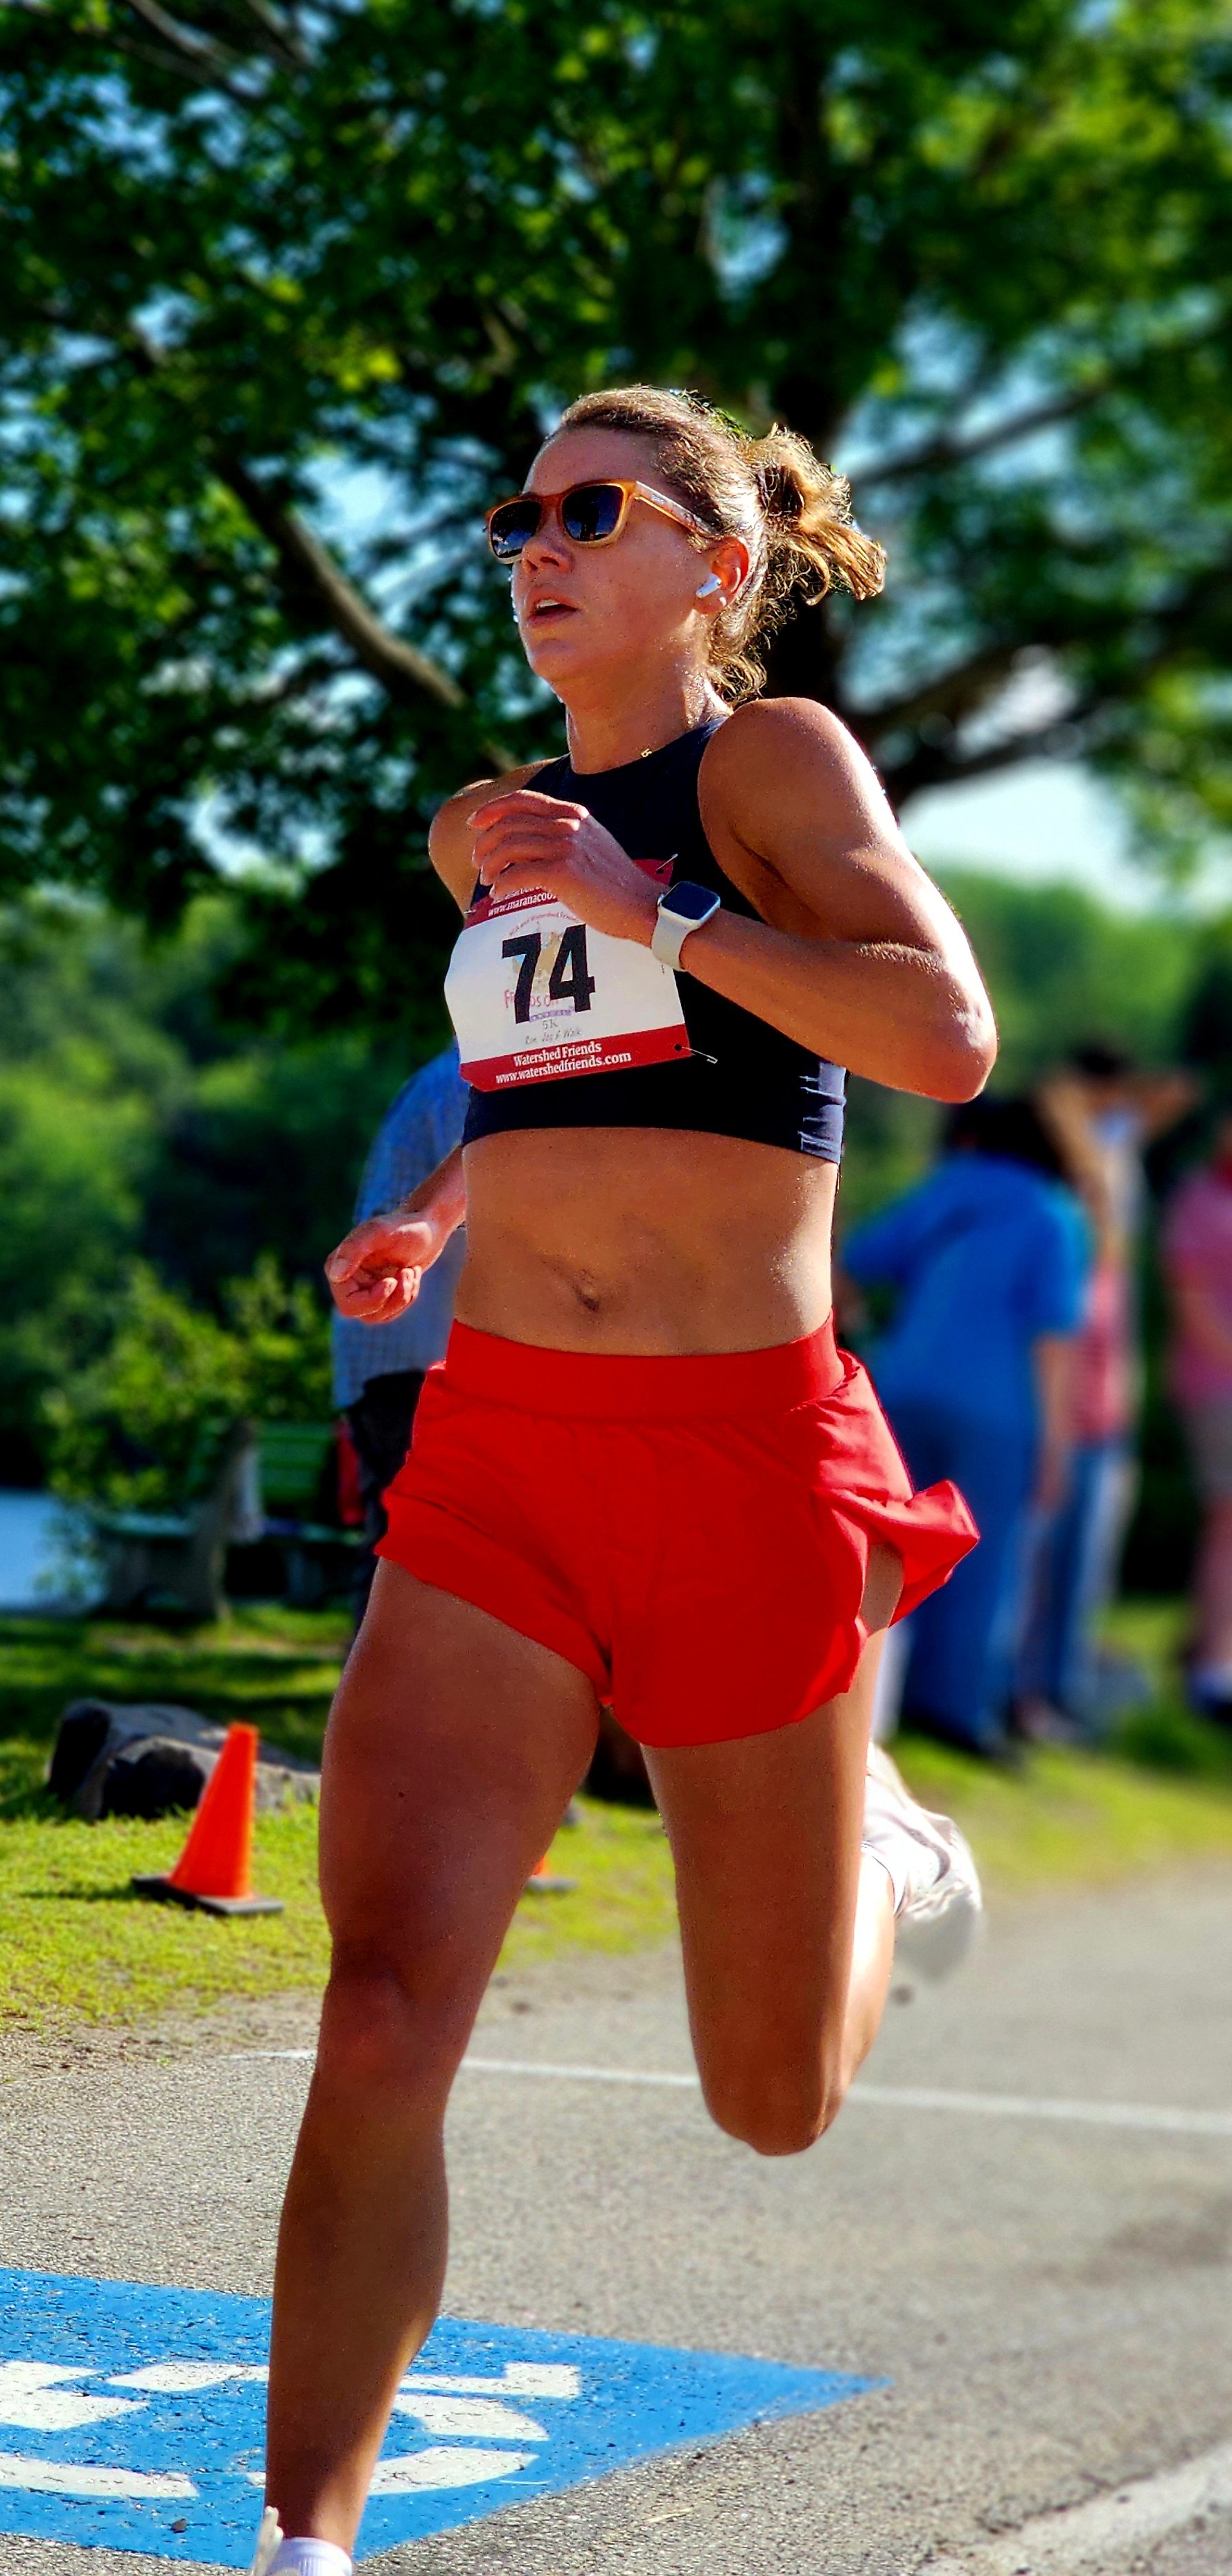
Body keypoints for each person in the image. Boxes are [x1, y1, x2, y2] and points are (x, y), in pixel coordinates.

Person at [256, 385, 997, 2576]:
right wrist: (449, 1214)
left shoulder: (768, 769)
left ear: (715, 562)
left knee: (770, 2100)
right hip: (497, 1464)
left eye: (594, 508)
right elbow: (572, 1071)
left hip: (738, 1457)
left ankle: (876, 1847)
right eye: (517, 514)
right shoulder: (483, 827)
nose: (534, 542)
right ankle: (303, 2546)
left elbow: (935, 1032)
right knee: (383, 2004)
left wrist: (652, 895)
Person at [843, 1096, 1090, 1758]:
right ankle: (951, 1712)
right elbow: (1054, 1342)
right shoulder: (1054, 1213)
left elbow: (852, 1258)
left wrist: (861, 1334)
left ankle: (863, 1707)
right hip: (999, 1410)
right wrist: (1059, 1446)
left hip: (903, 1388)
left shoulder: (947, 1187)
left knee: (887, 1555)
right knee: (982, 1561)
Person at [1020, 1047, 1196, 1735]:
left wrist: (1113, 1099)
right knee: (1040, 1543)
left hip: (1104, 1378)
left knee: (1082, 1552)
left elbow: (1173, 1089)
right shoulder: (1068, 1162)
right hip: (1066, 1368)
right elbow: (1062, 1096)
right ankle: (1024, 1691)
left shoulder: (1109, 1149)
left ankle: (1053, 1690)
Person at [331, 1046, 468, 1626]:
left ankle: (385, 1708)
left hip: (400, 1352)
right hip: (412, 1359)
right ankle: (384, 1713)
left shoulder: (443, 1078)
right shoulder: (471, 1080)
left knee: (405, 1555)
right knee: (408, 1560)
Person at [1162, 1109, 1232, 1720]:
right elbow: (1193, 1302)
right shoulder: (1201, 1201)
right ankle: (1211, 1667)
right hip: (1218, 1385)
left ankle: (1207, 1654)